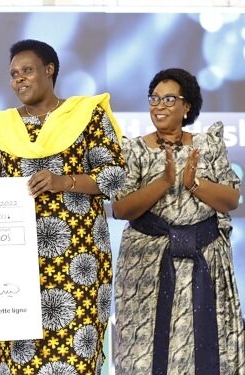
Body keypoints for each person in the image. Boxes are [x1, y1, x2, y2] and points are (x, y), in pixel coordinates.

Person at [0, 39, 126, 374]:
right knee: (18, 359)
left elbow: (116, 176)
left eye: (27, 70)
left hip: (79, 263)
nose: (19, 79)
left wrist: (65, 181)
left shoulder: (87, 115)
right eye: (14, 74)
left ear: (50, 70)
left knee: (76, 358)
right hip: (15, 265)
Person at [112, 68, 245, 375]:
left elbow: (231, 199)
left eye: (168, 99)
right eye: (154, 98)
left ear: (187, 106)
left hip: (205, 259)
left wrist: (194, 183)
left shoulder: (208, 145)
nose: (158, 105)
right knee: (145, 354)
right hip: (147, 266)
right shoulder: (133, 150)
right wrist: (163, 182)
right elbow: (120, 209)